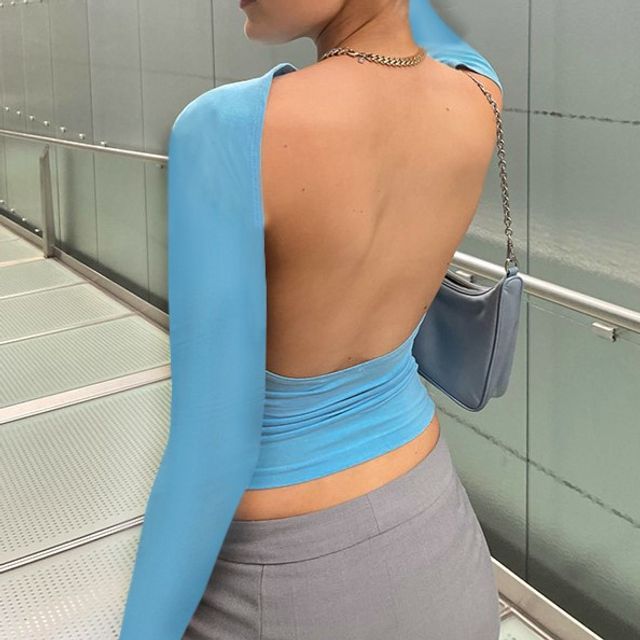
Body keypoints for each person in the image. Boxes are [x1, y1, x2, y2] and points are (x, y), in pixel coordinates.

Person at [118, 1, 504, 638]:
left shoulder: (225, 131)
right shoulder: (479, 95)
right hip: (439, 536)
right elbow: (435, 33)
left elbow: (212, 450)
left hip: (278, 579)